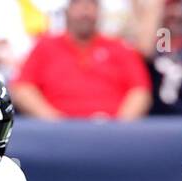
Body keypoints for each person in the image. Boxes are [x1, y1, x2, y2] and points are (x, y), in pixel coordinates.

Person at [10, 0, 152, 120]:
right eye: (78, 4)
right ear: (67, 11)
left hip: (111, 131)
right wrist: (52, 120)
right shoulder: (45, 47)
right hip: (57, 133)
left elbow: (140, 91)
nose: (85, 11)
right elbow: (22, 88)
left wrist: (120, 126)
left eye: (91, 5)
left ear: (99, 12)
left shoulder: (120, 47)